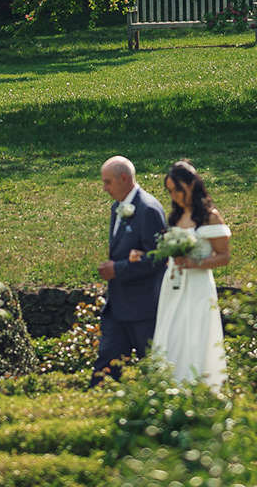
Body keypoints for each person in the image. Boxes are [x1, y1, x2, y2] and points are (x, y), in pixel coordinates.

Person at [129, 159, 231, 388]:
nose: (174, 195)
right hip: (173, 283)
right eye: (170, 191)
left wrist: (196, 263)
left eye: (177, 189)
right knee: (171, 330)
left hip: (197, 284)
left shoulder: (210, 217)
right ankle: (168, 384)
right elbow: (166, 254)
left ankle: (197, 385)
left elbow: (224, 256)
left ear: (191, 185)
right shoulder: (175, 218)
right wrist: (145, 254)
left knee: (195, 333)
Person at [94, 155, 166, 383]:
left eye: (108, 182)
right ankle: (94, 402)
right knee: (105, 368)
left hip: (143, 307)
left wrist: (119, 269)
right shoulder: (117, 207)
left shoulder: (148, 209)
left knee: (154, 368)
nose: (105, 188)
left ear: (124, 178)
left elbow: (159, 258)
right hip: (118, 306)